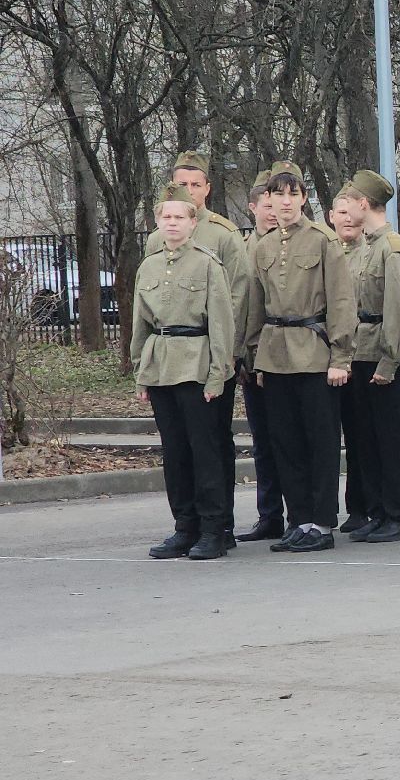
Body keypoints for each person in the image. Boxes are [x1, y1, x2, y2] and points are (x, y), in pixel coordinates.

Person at [244, 162, 356, 554]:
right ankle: (300, 519)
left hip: (314, 351)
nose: (285, 202)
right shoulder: (263, 246)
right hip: (276, 356)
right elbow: (255, 306)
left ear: (304, 199)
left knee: (320, 442)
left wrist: (341, 356)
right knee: (285, 442)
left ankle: (322, 522)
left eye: (293, 195)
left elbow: (342, 300)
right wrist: (256, 355)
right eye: (278, 195)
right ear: (268, 201)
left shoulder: (323, 241)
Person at [145, 152, 248, 550]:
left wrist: (228, 358)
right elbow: (146, 310)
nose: (187, 192)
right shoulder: (157, 243)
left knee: (211, 443)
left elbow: (235, 298)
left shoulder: (222, 235)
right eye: (180, 184)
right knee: (178, 446)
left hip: (208, 355)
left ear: (206, 189)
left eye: (195, 184)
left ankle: (217, 525)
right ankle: (186, 525)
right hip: (166, 361)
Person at [335, 171, 400, 543]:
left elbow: (399, 311)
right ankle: (379, 511)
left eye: (350, 201)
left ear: (364, 204)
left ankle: (398, 515)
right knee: (368, 439)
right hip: (363, 351)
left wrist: (389, 363)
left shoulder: (392, 247)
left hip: (388, 356)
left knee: (391, 438)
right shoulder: (367, 246)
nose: (346, 209)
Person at [234, 174, 287, 543]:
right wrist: (239, 355)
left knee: (290, 439)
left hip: (286, 354)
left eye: (278, 204)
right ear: (254, 208)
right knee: (263, 441)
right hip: (253, 358)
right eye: (266, 205)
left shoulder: (293, 245)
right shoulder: (243, 248)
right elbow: (238, 306)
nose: (272, 212)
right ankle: (269, 514)